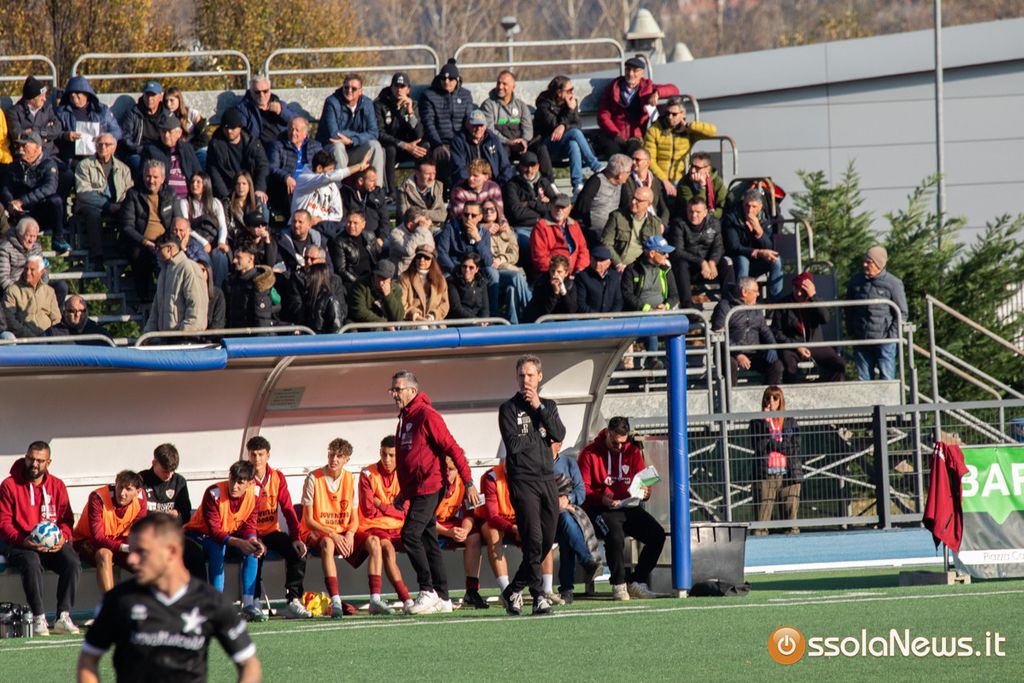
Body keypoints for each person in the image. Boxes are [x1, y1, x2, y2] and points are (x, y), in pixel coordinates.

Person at [77, 513, 262, 682]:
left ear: (172, 552)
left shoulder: (210, 601)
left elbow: (249, 664)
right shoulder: (118, 600)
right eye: (131, 551)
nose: (132, 560)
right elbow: (88, 660)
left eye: (141, 552)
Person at [389, 369, 480, 614]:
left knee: (410, 534)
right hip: (417, 489)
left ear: (412, 390)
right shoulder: (404, 418)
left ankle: (427, 590)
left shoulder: (427, 415)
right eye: (392, 390)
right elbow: (409, 459)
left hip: (431, 486)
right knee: (428, 539)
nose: (394, 394)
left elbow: (453, 448)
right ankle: (443, 597)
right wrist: (403, 492)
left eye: (398, 389)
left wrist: (468, 482)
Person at [496, 355, 566, 616]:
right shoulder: (508, 408)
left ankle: (513, 590)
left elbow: (559, 433)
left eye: (530, 375)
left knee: (547, 541)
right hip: (523, 480)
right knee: (533, 540)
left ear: (539, 377)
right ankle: (538, 596)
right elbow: (513, 445)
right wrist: (540, 433)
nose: (526, 380)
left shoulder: (548, 406)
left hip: (547, 479)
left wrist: (540, 409)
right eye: (522, 375)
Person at [0, 441, 81, 636]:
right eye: (31, 459)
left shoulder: (57, 485)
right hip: (18, 542)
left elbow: (66, 520)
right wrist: (23, 540)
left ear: (48, 462)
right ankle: (38, 617)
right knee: (31, 561)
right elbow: (3, 523)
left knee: (72, 562)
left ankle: (63, 617)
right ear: (26, 457)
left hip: (50, 544)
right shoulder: (9, 485)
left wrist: (63, 537)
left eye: (40, 461)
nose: (34, 464)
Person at [578, 417, 664, 600]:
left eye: (622, 443)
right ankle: (618, 584)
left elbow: (642, 481)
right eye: (615, 442)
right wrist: (601, 499)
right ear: (608, 434)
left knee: (657, 534)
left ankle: (636, 581)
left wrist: (645, 492)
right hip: (600, 509)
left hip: (627, 507)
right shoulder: (589, 453)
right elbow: (582, 489)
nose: (619, 447)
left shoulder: (632, 451)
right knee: (615, 536)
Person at [184, 461, 267, 622]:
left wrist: (252, 540)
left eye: (240, 482)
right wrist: (240, 543)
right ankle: (217, 606)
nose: (234, 486)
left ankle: (248, 605)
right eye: (232, 480)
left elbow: (250, 524)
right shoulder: (213, 493)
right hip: (199, 534)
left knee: (252, 551)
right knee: (217, 548)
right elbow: (215, 532)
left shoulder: (256, 493)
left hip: (229, 535)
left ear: (250, 483)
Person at [245, 436, 311, 619]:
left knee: (298, 552)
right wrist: (254, 537)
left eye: (261, 454)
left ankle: (293, 600)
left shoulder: (277, 477)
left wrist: (296, 538)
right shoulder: (244, 478)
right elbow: (240, 514)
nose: (257, 459)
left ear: (268, 455)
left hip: (272, 531)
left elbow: (288, 509)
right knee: (255, 552)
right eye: (253, 454)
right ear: (248, 455)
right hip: (249, 533)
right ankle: (254, 602)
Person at [478, 461, 560, 607]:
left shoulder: (529, 475)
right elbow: (492, 516)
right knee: (492, 533)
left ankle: (547, 589)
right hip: (499, 522)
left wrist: (524, 526)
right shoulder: (492, 477)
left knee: (542, 534)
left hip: (522, 521)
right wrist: (513, 528)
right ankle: (506, 589)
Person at [299, 438, 359, 618]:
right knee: (328, 543)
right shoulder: (313, 477)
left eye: (339, 456)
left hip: (341, 532)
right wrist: (333, 534)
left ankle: (376, 599)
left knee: (375, 543)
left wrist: (350, 533)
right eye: (331, 454)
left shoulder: (350, 478)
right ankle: (336, 600)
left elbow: (355, 518)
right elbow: (309, 520)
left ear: (347, 459)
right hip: (315, 532)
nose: (334, 459)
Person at [357, 436, 415, 615]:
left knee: (425, 544)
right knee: (388, 549)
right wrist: (392, 509)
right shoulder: (367, 474)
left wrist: (380, 504)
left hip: (399, 527)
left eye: (391, 455)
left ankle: (433, 593)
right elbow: (368, 510)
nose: (387, 460)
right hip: (374, 526)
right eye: (384, 454)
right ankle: (405, 599)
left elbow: (405, 511)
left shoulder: (406, 473)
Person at [72, 470, 147, 594]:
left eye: (128, 489)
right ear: (115, 483)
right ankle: (110, 602)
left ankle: (154, 602)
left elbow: (138, 532)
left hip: (119, 542)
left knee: (149, 558)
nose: (122, 493)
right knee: (105, 554)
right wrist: (123, 547)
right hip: (87, 542)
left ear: (137, 492)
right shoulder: (98, 497)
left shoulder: (141, 498)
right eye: (120, 487)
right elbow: (98, 538)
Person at [845, 245, 909, 381]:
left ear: (879, 263)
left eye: (869, 262)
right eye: (864, 261)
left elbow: (902, 312)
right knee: (864, 381)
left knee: (887, 380)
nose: (865, 265)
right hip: (861, 340)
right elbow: (848, 308)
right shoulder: (856, 280)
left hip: (884, 341)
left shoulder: (893, 283)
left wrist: (891, 336)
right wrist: (852, 331)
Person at [550, 440, 603, 604]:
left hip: (568, 513)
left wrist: (568, 499)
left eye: (551, 442)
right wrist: (556, 503)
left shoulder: (569, 463)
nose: (546, 446)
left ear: (559, 445)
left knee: (566, 526)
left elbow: (581, 492)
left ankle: (567, 590)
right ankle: (586, 562)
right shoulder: (537, 464)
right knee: (566, 521)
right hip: (545, 515)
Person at [534, 76, 603, 196]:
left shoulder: (570, 102)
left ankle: (577, 185)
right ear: (559, 92)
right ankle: (595, 165)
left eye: (573, 89)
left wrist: (564, 125)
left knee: (573, 144)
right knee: (574, 133)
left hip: (564, 143)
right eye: (569, 90)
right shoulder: (544, 106)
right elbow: (554, 128)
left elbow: (577, 124)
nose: (572, 93)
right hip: (547, 146)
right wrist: (569, 113)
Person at [1, 131, 69, 254]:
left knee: (56, 200)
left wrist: (22, 201)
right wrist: (11, 203)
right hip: (22, 213)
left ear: (37, 147)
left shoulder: (49, 164)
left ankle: (58, 238)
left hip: (42, 212)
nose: (20, 149)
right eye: (19, 146)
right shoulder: (14, 166)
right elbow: (6, 188)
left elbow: (49, 188)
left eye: (24, 146)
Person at [434, 456, 488, 609]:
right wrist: (448, 532)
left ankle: (472, 590)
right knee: (427, 538)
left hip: (450, 523)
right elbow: (425, 519)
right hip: (433, 525)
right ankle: (434, 591)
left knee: (474, 536)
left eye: (451, 469)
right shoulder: (433, 483)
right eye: (445, 469)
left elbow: (469, 514)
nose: (448, 473)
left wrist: (464, 530)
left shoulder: (464, 484)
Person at [773, 271, 846, 383]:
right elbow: (777, 332)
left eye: (802, 290)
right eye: (796, 288)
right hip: (792, 345)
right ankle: (792, 392)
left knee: (838, 364)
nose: (798, 293)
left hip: (815, 344)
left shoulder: (815, 302)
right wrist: (796, 346)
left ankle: (830, 390)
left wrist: (813, 297)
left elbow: (825, 318)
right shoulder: (783, 304)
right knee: (789, 366)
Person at [72, 133, 131, 268]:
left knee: (129, 213)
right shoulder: (84, 165)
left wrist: (120, 205)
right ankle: (97, 257)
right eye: (100, 144)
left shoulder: (123, 168)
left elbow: (128, 190)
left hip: (116, 204)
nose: (103, 147)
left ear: (114, 147)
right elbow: (83, 192)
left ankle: (122, 251)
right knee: (93, 214)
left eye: (107, 144)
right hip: (90, 205)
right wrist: (107, 205)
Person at [711, 276, 784, 385]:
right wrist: (737, 353)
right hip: (729, 353)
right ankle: (730, 395)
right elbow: (719, 335)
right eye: (755, 291)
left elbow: (765, 330)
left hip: (754, 353)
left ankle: (769, 394)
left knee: (777, 366)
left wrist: (772, 346)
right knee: (730, 364)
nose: (758, 294)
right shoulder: (724, 307)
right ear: (744, 292)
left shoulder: (756, 308)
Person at [749, 386, 802, 535]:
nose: (770, 401)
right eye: (767, 398)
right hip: (766, 474)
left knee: (791, 522)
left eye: (775, 398)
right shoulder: (757, 423)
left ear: (780, 401)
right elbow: (759, 446)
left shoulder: (790, 422)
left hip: (788, 473)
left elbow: (794, 448)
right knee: (761, 523)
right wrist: (766, 423)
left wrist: (773, 444)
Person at [482, 70, 553, 179]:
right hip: (502, 143)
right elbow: (490, 130)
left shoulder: (520, 105)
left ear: (513, 87)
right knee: (499, 150)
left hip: (521, 145)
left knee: (541, 148)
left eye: (504, 84)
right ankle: (503, 182)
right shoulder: (489, 105)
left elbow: (528, 128)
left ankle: (549, 182)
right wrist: (508, 142)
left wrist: (524, 141)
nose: (500, 87)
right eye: (498, 83)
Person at [121, 159, 176, 299]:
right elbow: (127, 226)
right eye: (148, 176)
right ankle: (144, 301)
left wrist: (170, 242)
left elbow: (175, 221)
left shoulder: (170, 194)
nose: (151, 180)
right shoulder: (133, 194)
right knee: (138, 255)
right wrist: (145, 242)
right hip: (142, 242)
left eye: (155, 177)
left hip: (165, 241)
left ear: (162, 179)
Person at [666, 196, 734, 308]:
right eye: (690, 211)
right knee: (681, 263)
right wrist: (701, 262)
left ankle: (728, 304)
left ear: (705, 212)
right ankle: (687, 305)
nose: (694, 215)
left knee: (726, 262)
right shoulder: (678, 223)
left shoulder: (714, 223)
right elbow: (678, 251)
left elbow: (718, 246)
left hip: (709, 267)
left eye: (698, 212)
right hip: (689, 267)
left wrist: (712, 262)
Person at [317, 74, 385, 182]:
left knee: (375, 146)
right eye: (346, 87)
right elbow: (334, 134)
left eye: (353, 89)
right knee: (338, 146)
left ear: (360, 91)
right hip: (331, 152)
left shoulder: (367, 103)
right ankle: (340, 188)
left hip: (354, 149)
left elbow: (373, 132)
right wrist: (354, 138)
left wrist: (352, 140)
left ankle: (377, 188)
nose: (349, 91)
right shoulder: (332, 102)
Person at [644, 96, 717, 192]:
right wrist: (664, 181)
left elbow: (712, 131)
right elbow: (650, 159)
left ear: (683, 114)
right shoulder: (654, 130)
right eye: (667, 113)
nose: (670, 117)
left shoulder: (688, 131)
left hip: (681, 178)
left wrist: (689, 126)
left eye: (674, 114)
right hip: (658, 179)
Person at [418, 59, 474, 184]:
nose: (446, 82)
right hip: (438, 141)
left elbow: (469, 120)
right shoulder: (429, 95)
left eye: (451, 79)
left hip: (460, 140)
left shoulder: (465, 95)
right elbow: (428, 123)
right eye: (443, 78)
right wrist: (437, 144)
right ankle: (443, 191)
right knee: (441, 157)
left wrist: (466, 142)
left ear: (457, 80)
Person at [374, 72, 427, 198]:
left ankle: (422, 189)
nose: (399, 90)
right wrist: (403, 145)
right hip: (392, 146)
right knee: (390, 149)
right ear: (391, 87)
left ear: (408, 89)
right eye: (396, 86)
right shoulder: (380, 104)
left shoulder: (413, 104)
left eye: (402, 86)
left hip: (410, 148)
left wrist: (410, 112)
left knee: (424, 147)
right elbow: (379, 133)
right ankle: (391, 192)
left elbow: (419, 134)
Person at [723, 189, 783, 299]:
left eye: (754, 206)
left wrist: (759, 231)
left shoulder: (765, 219)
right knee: (743, 260)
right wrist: (758, 252)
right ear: (743, 204)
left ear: (760, 207)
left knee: (776, 259)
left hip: (757, 262)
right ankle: (741, 300)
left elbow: (769, 247)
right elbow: (734, 247)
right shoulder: (732, 218)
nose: (750, 210)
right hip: (738, 261)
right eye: (747, 205)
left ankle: (776, 301)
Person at [144, 232, 209, 334]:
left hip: (186, 337)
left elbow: (197, 304)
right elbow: (156, 308)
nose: (156, 252)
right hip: (167, 337)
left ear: (169, 249)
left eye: (158, 248)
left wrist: (186, 331)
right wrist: (148, 333)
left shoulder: (189, 267)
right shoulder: (163, 273)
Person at [595, 56, 660, 158]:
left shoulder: (646, 87)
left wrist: (657, 93)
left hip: (636, 137)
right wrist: (615, 134)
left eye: (635, 71)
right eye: (628, 70)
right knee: (615, 154)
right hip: (614, 135)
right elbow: (603, 115)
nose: (630, 74)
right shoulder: (613, 89)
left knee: (634, 152)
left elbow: (673, 89)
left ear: (642, 73)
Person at [54, 75, 122, 167]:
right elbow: (53, 134)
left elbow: (117, 131)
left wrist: (105, 138)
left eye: (77, 92)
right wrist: (65, 135)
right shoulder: (61, 113)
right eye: (71, 93)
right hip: (72, 159)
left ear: (86, 94)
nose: (73, 95)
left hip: (100, 157)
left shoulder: (102, 110)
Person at [291, 150, 366, 232]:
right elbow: (329, 177)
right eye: (330, 169)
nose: (332, 172)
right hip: (298, 229)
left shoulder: (332, 187)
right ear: (319, 168)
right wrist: (359, 166)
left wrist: (321, 219)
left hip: (322, 229)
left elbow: (338, 215)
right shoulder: (304, 179)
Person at [206, 108, 269, 203]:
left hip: (251, 189)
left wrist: (259, 188)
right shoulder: (215, 145)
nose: (229, 131)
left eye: (232, 128)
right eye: (226, 128)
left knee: (261, 206)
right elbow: (214, 173)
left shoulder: (252, 143)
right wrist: (225, 196)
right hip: (228, 190)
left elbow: (263, 165)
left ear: (240, 127)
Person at [179, 172, 230, 286]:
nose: (194, 185)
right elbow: (187, 228)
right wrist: (204, 242)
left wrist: (221, 242)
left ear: (206, 184)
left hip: (214, 239)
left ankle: (218, 289)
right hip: (195, 241)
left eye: (198, 182)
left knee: (219, 256)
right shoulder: (184, 203)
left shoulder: (215, 202)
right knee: (203, 259)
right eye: (192, 182)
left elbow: (222, 226)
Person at [266, 116, 322, 218]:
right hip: (289, 186)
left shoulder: (315, 146)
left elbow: (323, 165)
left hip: (309, 185)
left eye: (297, 130)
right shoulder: (278, 145)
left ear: (305, 134)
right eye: (291, 129)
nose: (293, 133)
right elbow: (272, 167)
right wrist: (286, 177)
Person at [572, 153, 632, 245]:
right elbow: (582, 208)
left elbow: (626, 205)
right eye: (628, 172)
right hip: (593, 233)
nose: (629, 174)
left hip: (613, 231)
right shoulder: (596, 181)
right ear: (620, 175)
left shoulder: (622, 184)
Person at [602, 186, 665, 270]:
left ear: (648, 204)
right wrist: (618, 263)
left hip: (641, 268)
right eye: (633, 197)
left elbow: (658, 249)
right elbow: (606, 242)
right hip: (617, 266)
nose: (633, 201)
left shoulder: (655, 223)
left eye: (639, 200)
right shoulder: (617, 216)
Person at [140, 115, 202, 200]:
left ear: (179, 133)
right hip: (165, 198)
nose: (166, 135)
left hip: (188, 197)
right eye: (163, 131)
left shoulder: (187, 149)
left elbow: (198, 173)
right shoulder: (151, 150)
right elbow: (144, 177)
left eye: (169, 131)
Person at [530, 195, 590, 278]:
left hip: (575, 273)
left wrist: (579, 270)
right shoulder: (541, 227)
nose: (559, 210)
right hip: (552, 275)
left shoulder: (574, 225)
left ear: (569, 208)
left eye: (563, 207)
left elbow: (583, 251)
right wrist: (560, 272)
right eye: (557, 207)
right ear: (550, 206)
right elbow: (539, 258)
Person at [450, 109, 514, 186]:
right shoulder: (459, 142)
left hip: (494, 183)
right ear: (467, 125)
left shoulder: (493, 140)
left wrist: (499, 184)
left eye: (481, 125)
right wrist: (472, 184)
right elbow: (459, 168)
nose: (478, 129)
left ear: (486, 126)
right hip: (469, 184)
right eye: (475, 125)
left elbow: (505, 166)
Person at [6, 75, 61, 161]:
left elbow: (57, 128)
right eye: (41, 97)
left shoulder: (47, 108)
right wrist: (45, 135)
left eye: (45, 96)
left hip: (48, 154)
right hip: (25, 156)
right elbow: (17, 134)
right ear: (31, 99)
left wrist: (38, 132)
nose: (45, 99)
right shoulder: (14, 112)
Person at [3, 255, 60, 338]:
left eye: (32, 270)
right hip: (24, 336)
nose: (28, 273)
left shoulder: (49, 291)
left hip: (47, 336)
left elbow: (56, 318)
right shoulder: (13, 291)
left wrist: (51, 335)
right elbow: (9, 319)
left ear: (41, 272)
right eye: (26, 269)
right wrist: (29, 336)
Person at [235, 74, 295, 149]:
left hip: (284, 146)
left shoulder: (279, 104)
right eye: (257, 92)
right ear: (251, 92)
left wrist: (281, 111)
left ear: (270, 90)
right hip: (261, 149)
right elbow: (241, 132)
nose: (262, 95)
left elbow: (298, 122)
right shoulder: (244, 109)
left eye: (265, 91)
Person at [437, 200, 494, 276]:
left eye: (473, 215)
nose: (469, 218)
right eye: (466, 215)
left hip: (476, 271)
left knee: (492, 273)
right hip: (455, 269)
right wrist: (455, 270)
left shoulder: (484, 233)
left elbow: (488, 262)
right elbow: (442, 253)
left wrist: (478, 239)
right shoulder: (450, 228)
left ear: (480, 217)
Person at [225, 242, 275, 329]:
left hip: (251, 335)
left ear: (251, 258)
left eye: (239, 257)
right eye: (234, 257)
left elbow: (262, 320)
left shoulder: (259, 283)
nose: (234, 261)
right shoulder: (234, 281)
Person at [118, 80, 168, 165]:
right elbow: (125, 137)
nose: (149, 99)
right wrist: (140, 149)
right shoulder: (133, 113)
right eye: (147, 94)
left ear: (160, 97)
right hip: (138, 153)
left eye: (153, 95)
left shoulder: (166, 115)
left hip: (160, 152)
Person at [330, 211, 382, 287]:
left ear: (363, 224)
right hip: (353, 282)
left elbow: (379, 257)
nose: (351, 226)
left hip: (373, 277)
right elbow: (341, 270)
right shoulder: (339, 242)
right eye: (349, 222)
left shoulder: (370, 236)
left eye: (355, 223)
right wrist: (359, 282)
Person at [621, 147, 670, 225]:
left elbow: (665, 208)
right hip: (635, 222)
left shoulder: (657, 182)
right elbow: (629, 204)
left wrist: (662, 224)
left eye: (637, 160)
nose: (633, 162)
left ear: (647, 162)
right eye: (632, 159)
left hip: (655, 222)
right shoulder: (627, 180)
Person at [400, 246, 450, 322]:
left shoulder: (441, 279)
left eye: (426, 257)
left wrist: (432, 316)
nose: (422, 260)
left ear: (432, 261)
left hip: (434, 320)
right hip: (412, 321)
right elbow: (402, 303)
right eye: (419, 256)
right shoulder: (405, 277)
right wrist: (417, 316)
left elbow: (445, 304)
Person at [523, 254, 579, 323]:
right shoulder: (541, 283)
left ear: (566, 273)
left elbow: (572, 310)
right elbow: (544, 312)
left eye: (559, 272)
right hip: (540, 320)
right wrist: (555, 293)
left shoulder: (570, 285)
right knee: (548, 321)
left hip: (560, 318)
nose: (555, 275)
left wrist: (563, 291)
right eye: (552, 271)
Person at [348, 259, 404, 325]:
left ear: (390, 279)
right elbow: (359, 311)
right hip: (365, 324)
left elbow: (398, 317)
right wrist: (383, 323)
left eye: (384, 278)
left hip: (389, 324)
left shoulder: (396, 289)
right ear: (374, 274)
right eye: (378, 277)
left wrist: (389, 295)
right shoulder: (360, 285)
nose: (381, 282)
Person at [341, 167, 389, 241]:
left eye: (375, 180)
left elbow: (384, 219)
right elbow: (343, 219)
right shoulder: (347, 195)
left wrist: (381, 238)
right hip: (351, 239)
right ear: (361, 181)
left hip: (374, 239)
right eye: (372, 181)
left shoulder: (378, 194)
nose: (375, 184)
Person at [396, 159, 447, 227]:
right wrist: (431, 216)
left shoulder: (437, 186)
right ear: (417, 173)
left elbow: (442, 215)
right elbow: (406, 217)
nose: (432, 178)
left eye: (434, 173)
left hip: (433, 228)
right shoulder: (404, 189)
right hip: (412, 230)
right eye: (427, 174)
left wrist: (421, 213)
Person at [676, 152, 726, 219]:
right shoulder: (684, 182)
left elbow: (722, 206)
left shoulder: (717, 182)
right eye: (692, 166)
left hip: (712, 218)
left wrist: (713, 215)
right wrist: (702, 187)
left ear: (707, 169)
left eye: (697, 168)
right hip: (690, 219)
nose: (693, 170)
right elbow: (695, 207)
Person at [575, 245, 624, 313]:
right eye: (595, 259)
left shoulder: (615, 276)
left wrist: (611, 316)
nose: (598, 263)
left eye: (601, 260)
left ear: (609, 263)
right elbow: (581, 303)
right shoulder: (582, 276)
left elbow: (618, 301)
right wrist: (597, 317)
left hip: (610, 318)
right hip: (589, 318)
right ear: (590, 259)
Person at [44, 294, 111, 343]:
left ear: (87, 311)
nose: (78, 314)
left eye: (82, 311)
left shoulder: (100, 334)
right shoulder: (53, 334)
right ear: (64, 312)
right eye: (72, 311)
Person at [301, 261, 347, 333]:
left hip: (324, 338)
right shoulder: (308, 298)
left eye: (309, 276)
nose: (306, 278)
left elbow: (335, 327)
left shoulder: (330, 299)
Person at [225, 172, 269, 244]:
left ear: (249, 185)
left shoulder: (256, 201)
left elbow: (260, 222)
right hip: (235, 240)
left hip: (255, 238)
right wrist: (249, 231)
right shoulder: (227, 203)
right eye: (238, 184)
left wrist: (259, 231)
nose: (241, 187)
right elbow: (228, 227)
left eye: (244, 184)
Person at [389, 208, 436, 275]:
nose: (424, 225)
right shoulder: (395, 234)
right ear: (410, 225)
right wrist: (421, 230)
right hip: (403, 274)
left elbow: (432, 252)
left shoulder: (424, 230)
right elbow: (408, 251)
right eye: (420, 223)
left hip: (423, 272)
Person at [447, 252, 489, 320]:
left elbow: (485, 308)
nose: (467, 270)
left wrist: (484, 320)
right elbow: (457, 309)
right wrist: (476, 320)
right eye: (464, 266)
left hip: (478, 321)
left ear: (476, 269)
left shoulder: (481, 283)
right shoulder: (452, 282)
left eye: (471, 267)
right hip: (459, 321)